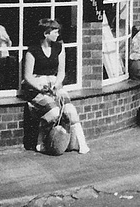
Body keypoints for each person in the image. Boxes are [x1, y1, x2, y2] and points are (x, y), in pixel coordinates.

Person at [21, 18, 89, 154]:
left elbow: (61, 72)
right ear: (46, 34)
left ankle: (80, 143)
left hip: (54, 84)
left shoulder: (59, 48)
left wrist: (57, 85)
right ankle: (41, 141)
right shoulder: (33, 50)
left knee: (70, 110)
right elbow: (27, 76)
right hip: (37, 86)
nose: (57, 34)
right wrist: (42, 88)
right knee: (53, 112)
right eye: (55, 32)